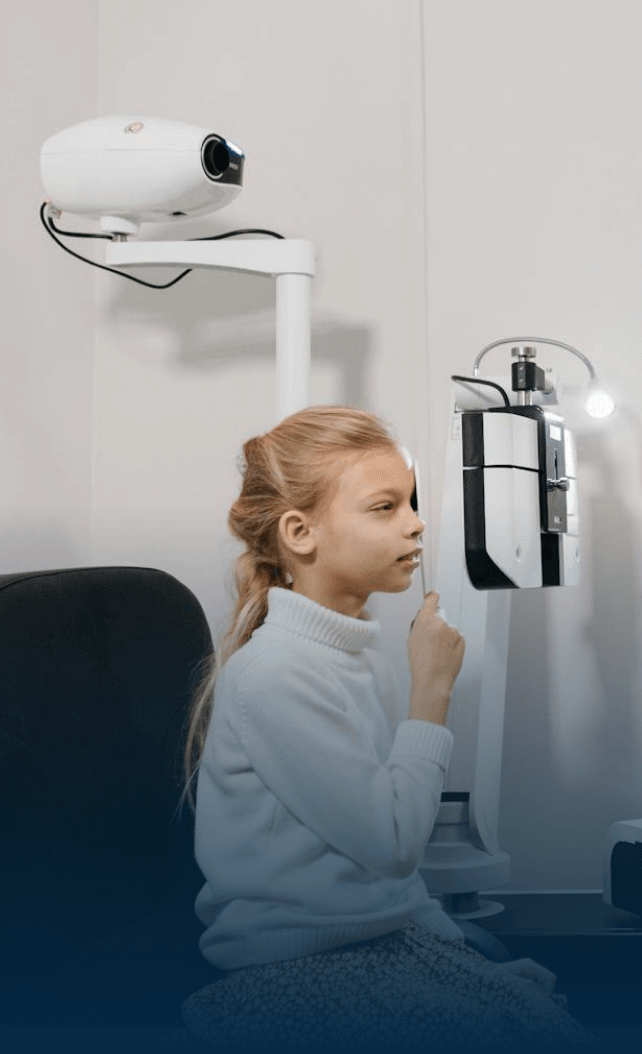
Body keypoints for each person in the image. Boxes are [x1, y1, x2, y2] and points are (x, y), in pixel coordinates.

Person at [177, 406, 592, 1051]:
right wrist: (433, 691)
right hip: (298, 973)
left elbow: (388, 883)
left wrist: (477, 965)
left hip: (380, 943)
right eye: (385, 508)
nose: (417, 523)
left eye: (413, 503)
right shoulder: (276, 676)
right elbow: (392, 842)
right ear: (300, 532)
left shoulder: (360, 654)